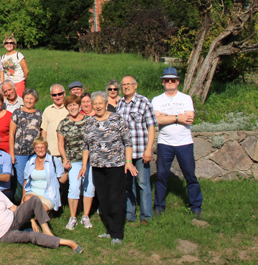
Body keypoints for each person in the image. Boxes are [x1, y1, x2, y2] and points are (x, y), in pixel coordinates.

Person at [0, 168, 81, 253]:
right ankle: (68, 243)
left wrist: (31, 220)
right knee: (31, 236)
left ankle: (48, 232)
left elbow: (13, 208)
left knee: (34, 200)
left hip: (14, 219)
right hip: (4, 234)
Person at [79, 91, 137, 245]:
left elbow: (128, 141)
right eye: (95, 103)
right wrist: (84, 166)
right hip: (97, 167)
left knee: (115, 199)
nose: (98, 106)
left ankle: (117, 234)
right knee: (104, 200)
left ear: (106, 104)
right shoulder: (90, 122)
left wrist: (129, 161)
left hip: (115, 166)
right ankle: (110, 230)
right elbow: (86, 146)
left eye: (100, 103)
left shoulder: (116, 119)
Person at [152, 67, 202, 217]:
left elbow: (189, 118)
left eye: (172, 80)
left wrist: (166, 115)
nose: (169, 82)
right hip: (165, 143)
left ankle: (195, 206)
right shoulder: (157, 100)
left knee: (190, 176)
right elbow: (156, 119)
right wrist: (176, 117)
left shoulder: (186, 98)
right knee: (161, 176)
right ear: (163, 82)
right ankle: (159, 207)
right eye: (166, 80)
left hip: (184, 143)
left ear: (177, 82)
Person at [117, 75, 157, 225]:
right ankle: (129, 214)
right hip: (124, 153)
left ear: (136, 85)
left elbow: (151, 127)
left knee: (143, 183)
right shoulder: (120, 104)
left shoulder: (144, 102)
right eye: (124, 85)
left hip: (140, 151)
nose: (126, 87)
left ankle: (146, 216)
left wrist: (149, 149)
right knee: (127, 185)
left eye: (129, 84)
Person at [57, 96, 94, 230]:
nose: (73, 108)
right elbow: (61, 144)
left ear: (79, 106)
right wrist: (64, 159)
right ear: (67, 108)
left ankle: (85, 215)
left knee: (89, 187)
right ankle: (73, 217)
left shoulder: (89, 121)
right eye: (70, 106)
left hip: (89, 160)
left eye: (75, 105)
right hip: (73, 161)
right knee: (74, 187)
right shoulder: (63, 124)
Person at [22, 137, 66, 231]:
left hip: (49, 194)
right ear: (34, 149)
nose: (40, 150)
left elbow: (62, 180)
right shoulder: (30, 162)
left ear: (46, 148)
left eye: (42, 147)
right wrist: (22, 201)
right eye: (37, 147)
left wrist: (66, 170)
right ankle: (33, 220)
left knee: (41, 209)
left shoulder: (53, 161)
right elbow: (26, 181)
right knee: (27, 199)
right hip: (34, 192)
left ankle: (29, 220)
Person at [10, 89, 42, 186]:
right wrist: (12, 154)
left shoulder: (39, 113)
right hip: (20, 152)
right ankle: (23, 199)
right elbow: (11, 133)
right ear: (23, 99)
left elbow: (41, 131)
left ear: (35, 100)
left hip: (34, 152)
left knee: (34, 176)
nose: (29, 100)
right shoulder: (17, 113)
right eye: (27, 98)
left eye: (31, 98)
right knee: (21, 178)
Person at [40, 84, 68, 158]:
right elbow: (44, 131)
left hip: (67, 153)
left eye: (60, 94)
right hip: (51, 152)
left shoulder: (70, 109)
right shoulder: (47, 110)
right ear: (51, 96)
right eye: (54, 95)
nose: (57, 97)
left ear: (64, 93)